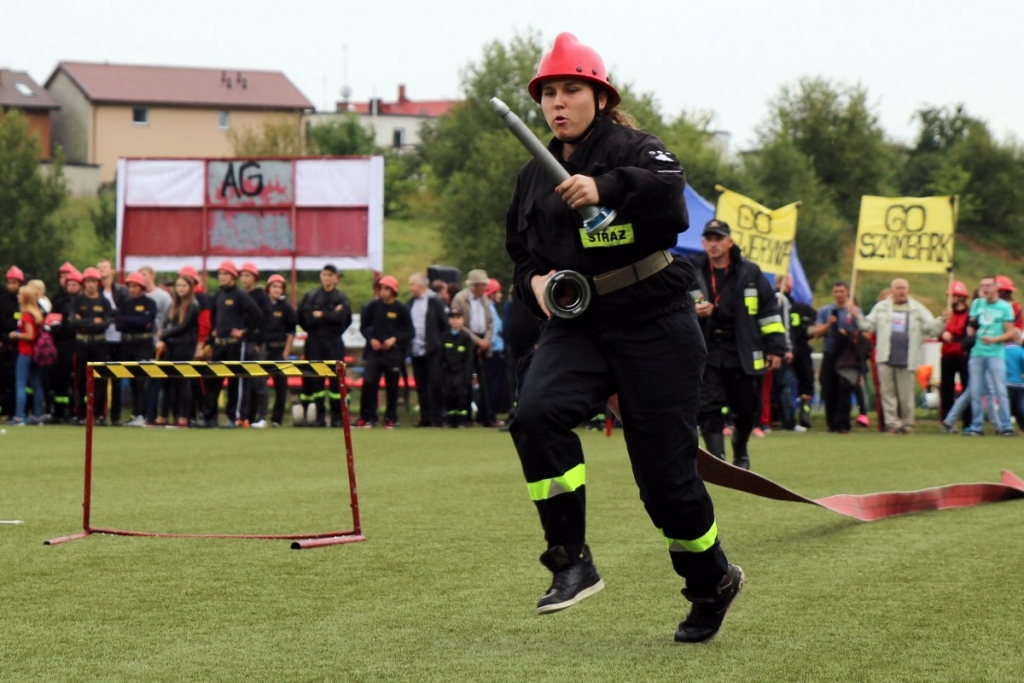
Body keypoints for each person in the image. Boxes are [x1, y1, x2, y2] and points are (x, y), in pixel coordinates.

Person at [504, 33, 741, 644]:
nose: (558, 103)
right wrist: (534, 284)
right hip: (579, 324)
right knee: (535, 416)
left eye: (571, 90)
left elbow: (671, 200)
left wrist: (604, 188)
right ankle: (571, 561)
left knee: (666, 485)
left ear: (601, 97)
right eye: (548, 93)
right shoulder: (532, 177)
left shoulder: (637, 149)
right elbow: (520, 257)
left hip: (656, 323)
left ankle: (710, 583)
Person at [690, 219, 786, 468]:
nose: (713, 244)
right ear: (703, 242)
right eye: (709, 239)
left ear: (730, 242)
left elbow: (769, 312)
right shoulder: (691, 269)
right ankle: (718, 461)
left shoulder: (750, 272)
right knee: (708, 407)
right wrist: (692, 310)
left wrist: (776, 348)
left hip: (742, 349)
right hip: (707, 349)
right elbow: (672, 303)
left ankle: (740, 451)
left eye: (718, 239)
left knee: (745, 409)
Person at [848, 278, 947, 434]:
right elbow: (868, 325)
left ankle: (907, 424)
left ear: (908, 290)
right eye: (898, 288)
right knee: (887, 393)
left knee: (905, 394)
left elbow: (932, 328)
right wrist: (856, 315)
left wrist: (942, 320)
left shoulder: (917, 308)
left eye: (904, 288)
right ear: (892, 290)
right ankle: (892, 423)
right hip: (885, 356)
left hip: (907, 358)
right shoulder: (881, 308)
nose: (901, 291)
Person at [203, 260, 263, 428]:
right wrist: (213, 334)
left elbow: (258, 315)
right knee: (213, 381)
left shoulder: (240, 295)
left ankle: (235, 418)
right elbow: (214, 317)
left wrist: (245, 332)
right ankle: (209, 417)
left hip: (234, 345)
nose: (222, 277)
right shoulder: (218, 294)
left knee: (236, 383)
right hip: (219, 344)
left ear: (233, 276)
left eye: (225, 274)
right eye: (220, 274)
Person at [297, 264, 352, 427]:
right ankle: (319, 416)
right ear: (321, 276)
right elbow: (305, 319)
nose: (327, 278)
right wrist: (331, 315)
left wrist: (322, 315)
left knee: (336, 380)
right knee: (316, 379)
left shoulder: (341, 298)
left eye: (330, 275)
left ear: (336, 278)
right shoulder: (311, 296)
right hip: (314, 342)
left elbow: (344, 319)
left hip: (334, 342)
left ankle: (337, 417)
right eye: (324, 274)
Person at [357, 276, 412, 428]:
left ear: (394, 291)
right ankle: (367, 417)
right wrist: (371, 339)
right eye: (381, 288)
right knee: (369, 383)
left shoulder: (401, 309)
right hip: (374, 353)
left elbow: (410, 332)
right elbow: (364, 327)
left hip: (393, 354)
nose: (383, 291)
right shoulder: (372, 306)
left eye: (387, 288)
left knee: (392, 387)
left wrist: (394, 339)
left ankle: (391, 418)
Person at [963, 276, 1016, 436]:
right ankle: (976, 425)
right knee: (975, 391)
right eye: (982, 286)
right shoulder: (977, 303)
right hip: (977, 352)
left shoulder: (1005, 307)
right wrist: (971, 331)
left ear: (995, 288)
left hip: (995, 352)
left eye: (988, 285)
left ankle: (1006, 426)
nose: (985, 288)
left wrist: (995, 339)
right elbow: (972, 324)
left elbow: (1010, 333)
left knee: (1000, 390)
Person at [451, 269, 499, 427]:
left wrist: (486, 340)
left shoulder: (485, 299)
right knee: (465, 380)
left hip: (484, 344)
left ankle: (487, 417)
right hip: (467, 343)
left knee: (486, 382)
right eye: (483, 285)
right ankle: (465, 417)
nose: (486, 288)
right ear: (475, 286)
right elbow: (458, 324)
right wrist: (478, 341)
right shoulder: (460, 299)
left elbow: (491, 323)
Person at [813, 282, 862, 433]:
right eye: (836, 291)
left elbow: (863, 330)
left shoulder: (854, 310)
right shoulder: (825, 310)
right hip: (830, 352)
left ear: (847, 292)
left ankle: (843, 423)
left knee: (845, 388)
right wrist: (829, 324)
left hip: (847, 354)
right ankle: (831, 422)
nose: (839, 294)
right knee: (829, 386)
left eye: (841, 291)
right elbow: (817, 332)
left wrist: (854, 317)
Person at [68, 267, 112, 424]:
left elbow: (105, 324)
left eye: (93, 281)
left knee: (100, 380)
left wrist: (84, 321)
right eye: (88, 281)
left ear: (98, 283)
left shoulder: (104, 302)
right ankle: (80, 414)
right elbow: (73, 321)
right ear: (84, 283)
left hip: (99, 343)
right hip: (82, 343)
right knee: (80, 379)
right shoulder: (77, 301)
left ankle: (100, 414)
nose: (91, 284)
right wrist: (93, 321)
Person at [157, 276, 200, 427]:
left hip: (185, 347)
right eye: (179, 285)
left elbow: (184, 326)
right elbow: (166, 322)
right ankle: (163, 416)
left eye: (184, 286)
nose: (180, 288)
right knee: (166, 382)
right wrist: (163, 337)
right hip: (170, 346)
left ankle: (183, 416)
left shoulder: (194, 305)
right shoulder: (173, 304)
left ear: (190, 288)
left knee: (183, 382)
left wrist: (164, 334)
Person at [406, 272, 448, 428]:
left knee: (436, 384)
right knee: (421, 385)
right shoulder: (410, 303)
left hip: (433, 350)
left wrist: (438, 344)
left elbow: (444, 325)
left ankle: (438, 417)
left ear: (421, 285)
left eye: (412, 284)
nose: (410, 287)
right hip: (416, 350)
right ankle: (425, 417)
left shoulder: (435, 301)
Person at [116, 271, 158, 427]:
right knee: (132, 381)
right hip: (128, 345)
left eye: (135, 286)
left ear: (142, 287)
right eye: (130, 286)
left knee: (141, 380)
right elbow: (118, 324)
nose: (132, 289)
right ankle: (135, 414)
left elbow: (145, 321)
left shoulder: (149, 303)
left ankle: (143, 414)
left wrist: (126, 320)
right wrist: (134, 320)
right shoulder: (125, 303)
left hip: (143, 345)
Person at [238, 262, 272, 428]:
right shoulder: (239, 295)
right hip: (242, 342)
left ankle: (262, 416)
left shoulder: (262, 297)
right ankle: (245, 417)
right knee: (244, 381)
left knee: (258, 381)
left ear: (254, 278)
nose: (244, 279)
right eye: (242, 276)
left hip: (256, 342)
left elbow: (266, 320)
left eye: (248, 276)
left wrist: (260, 341)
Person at [7, 285, 48, 425]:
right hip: (36, 353)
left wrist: (16, 334)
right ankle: (37, 415)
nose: (18, 296)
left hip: (25, 352)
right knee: (36, 384)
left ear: (25, 298)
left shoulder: (26, 315)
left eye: (20, 295)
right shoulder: (37, 314)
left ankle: (19, 416)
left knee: (20, 384)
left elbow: (30, 335)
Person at [97, 258, 129, 425]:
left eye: (104, 267)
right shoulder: (96, 292)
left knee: (117, 378)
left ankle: (115, 416)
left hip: (119, 339)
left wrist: (107, 316)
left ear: (112, 271)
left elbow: (124, 311)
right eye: (99, 268)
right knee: (101, 378)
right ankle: (100, 414)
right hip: (102, 340)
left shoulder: (121, 291)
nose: (101, 270)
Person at [49, 267, 82, 423]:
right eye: (68, 283)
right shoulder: (58, 300)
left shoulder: (83, 301)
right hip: (60, 343)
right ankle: (59, 411)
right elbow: (53, 320)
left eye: (73, 283)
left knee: (75, 379)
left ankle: (75, 411)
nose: (69, 286)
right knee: (59, 378)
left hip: (76, 343)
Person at [263, 274, 297, 427]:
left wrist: (286, 352)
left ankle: (277, 419)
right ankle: (259, 416)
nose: (277, 290)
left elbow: (291, 332)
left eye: (280, 287)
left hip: (279, 350)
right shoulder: (262, 305)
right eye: (274, 286)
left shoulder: (287, 308)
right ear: (268, 288)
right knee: (259, 385)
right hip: (264, 350)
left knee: (281, 386)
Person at [939, 280, 972, 430]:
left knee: (967, 389)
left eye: (952, 296)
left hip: (963, 355)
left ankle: (968, 423)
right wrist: (942, 334)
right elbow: (939, 330)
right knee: (946, 390)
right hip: (947, 355)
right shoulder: (947, 314)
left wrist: (953, 338)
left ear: (960, 297)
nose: (950, 299)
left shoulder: (969, 315)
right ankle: (947, 422)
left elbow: (968, 336)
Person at [441, 309, 474, 428]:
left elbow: (469, 359)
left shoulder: (466, 338)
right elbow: (441, 356)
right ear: (449, 320)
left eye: (458, 318)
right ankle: (450, 420)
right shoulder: (445, 337)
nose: (455, 320)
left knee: (461, 396)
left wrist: (467, 375)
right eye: (452, 318)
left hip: (461, 373)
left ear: (463, 320)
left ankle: (462, 420)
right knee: (449, 395)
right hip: (448, 372)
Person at [1, 266, 27, 419]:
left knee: (17, 380)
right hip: (5, 344)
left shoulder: (24, 299)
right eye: (9, 282)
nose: (11, 286)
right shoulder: (3, 299)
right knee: (4, 378)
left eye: (14, 283)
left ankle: (16, 412)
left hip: (21, 346)